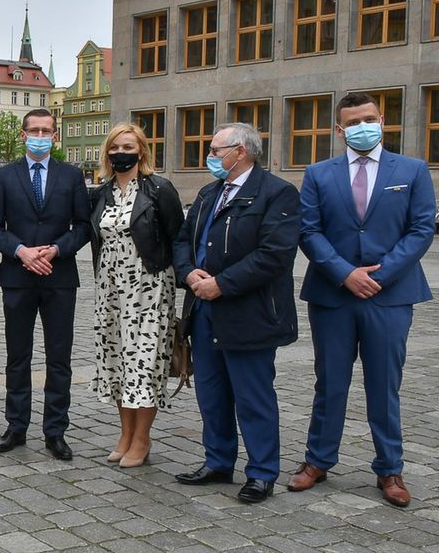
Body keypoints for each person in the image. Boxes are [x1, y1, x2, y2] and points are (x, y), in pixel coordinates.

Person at [290, 93, 434, 508]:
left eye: (369, 119)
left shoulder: (411, 169)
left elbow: (421, 229)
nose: (362, 126)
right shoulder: (318, 173)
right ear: (340, 130)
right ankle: (318, 461)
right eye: (353, 122)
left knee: (384, 386)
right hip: (333, 295)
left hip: (389, 298)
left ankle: (389, 468)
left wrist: (381, 276)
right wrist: (345, 273)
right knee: (329, 383)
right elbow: (309, 231)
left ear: (383, 121)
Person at [171, 122, 300, 504]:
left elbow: (274, 255)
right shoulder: (211, 192)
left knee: (252, 396)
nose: (210, 157)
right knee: (211, 393)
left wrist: (222, 283)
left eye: (215, 150)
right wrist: (188, 272)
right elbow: (183, 240)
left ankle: (261, 472)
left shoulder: (277, 193)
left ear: (240, 151)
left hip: (250, 313)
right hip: (204, 310)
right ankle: (218, 461)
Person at [0, 108, 90, 460]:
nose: (40, 136)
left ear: (55, 136)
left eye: (47, 130)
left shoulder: (72, 175)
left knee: (59, 358)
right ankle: (16, 426)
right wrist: (20, 251)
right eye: (35, 130)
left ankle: (56, 431)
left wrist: (57, 250)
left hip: (59, 278)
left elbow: (83, 226)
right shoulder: (5, 176)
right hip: (18, 277)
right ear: (22, 134)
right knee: (18, 356)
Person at [88, 123, 183, 468]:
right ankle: (125, 434)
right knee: (117, 362)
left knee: (143, 364)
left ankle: (142, 438)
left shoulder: (159, 189)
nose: (120, 153)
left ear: (141, 150)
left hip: (150, 290)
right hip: (110, 290)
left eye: (127, 146)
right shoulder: (102, 193)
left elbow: (176, 236)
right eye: (114, 147)